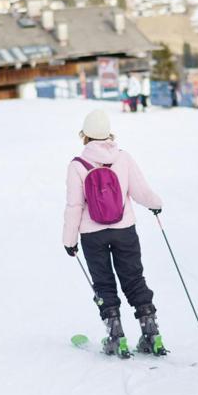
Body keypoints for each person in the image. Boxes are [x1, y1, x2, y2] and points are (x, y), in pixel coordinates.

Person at [63, 109, 166, 358]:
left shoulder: (77, 165)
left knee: (104, 284)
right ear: (108, 133)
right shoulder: (123, 158)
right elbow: (141, 190)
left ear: (85, 135)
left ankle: (115, 337)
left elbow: (75, 205)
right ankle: (151, 335)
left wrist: (69, 240)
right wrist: (155, 203)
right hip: (124, 230)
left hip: (92, 235)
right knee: (134, 279)